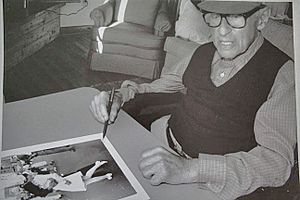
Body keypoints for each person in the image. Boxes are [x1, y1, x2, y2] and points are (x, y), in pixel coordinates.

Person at [90, 1, 296, 200]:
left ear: (261, 19)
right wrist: (118, 96)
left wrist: (190, 170)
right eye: (215, 17)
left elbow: (276, 163)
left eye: (235, 18)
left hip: (207, 184)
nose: (222, 31)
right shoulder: (203, 51)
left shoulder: (283, 74)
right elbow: (163, 85)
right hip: (160, 143)